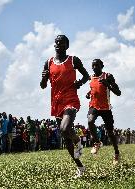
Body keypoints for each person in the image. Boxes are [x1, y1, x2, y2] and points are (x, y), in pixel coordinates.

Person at [40, 35, 89, 178]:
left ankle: (78, 141)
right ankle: (80, 167)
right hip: (56, 101)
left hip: (71, 99)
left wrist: (79, 83)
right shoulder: (48, 62)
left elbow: (86, 76)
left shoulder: (73, 60)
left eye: (61, 43)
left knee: (65, 128)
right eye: (56, 42)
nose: (58, 45)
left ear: (67, 46)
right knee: (65, 137)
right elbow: (43, 86)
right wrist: (44, 77)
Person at [86, 59, 121, 165]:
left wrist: (108, 85)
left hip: (106, 108)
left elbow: (118, 92)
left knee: (110, 133)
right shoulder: (91, 77)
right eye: (93, 65)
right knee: (90, 121)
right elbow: (94, 88)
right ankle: (97, 142)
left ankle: (116, 153)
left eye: (97, 65)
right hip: (94, 106)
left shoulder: (108, 76)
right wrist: (89, 93)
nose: (94, 67)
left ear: (102, 66)